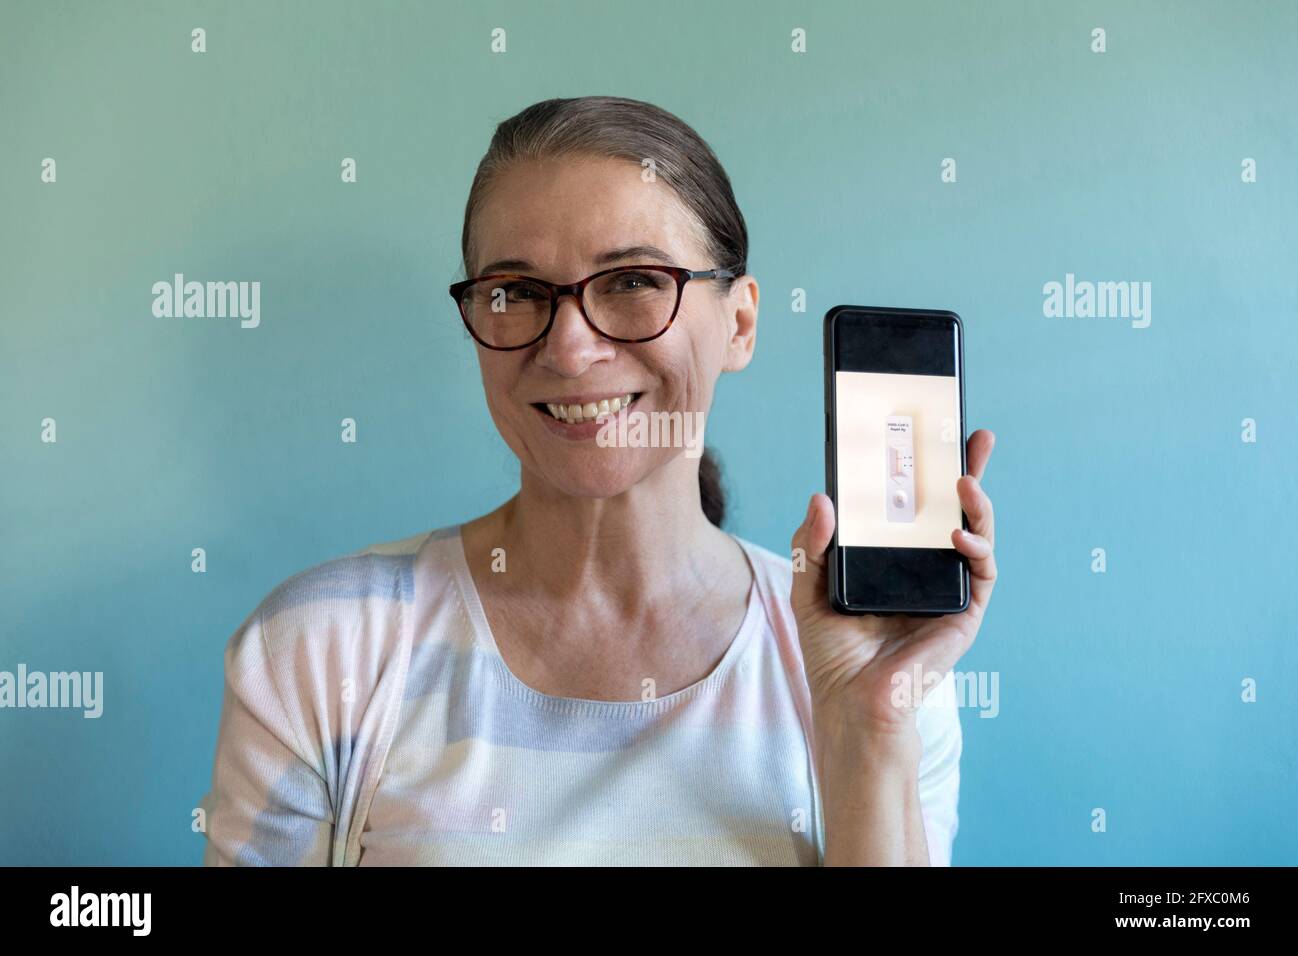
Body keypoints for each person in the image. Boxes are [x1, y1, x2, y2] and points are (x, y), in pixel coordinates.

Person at [199, 95, 998, 866]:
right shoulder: (320, 648)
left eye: (632, 281)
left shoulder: (872, 667)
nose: (571, 349)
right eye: (516, 293)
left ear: (740, 323)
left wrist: (873, 720)